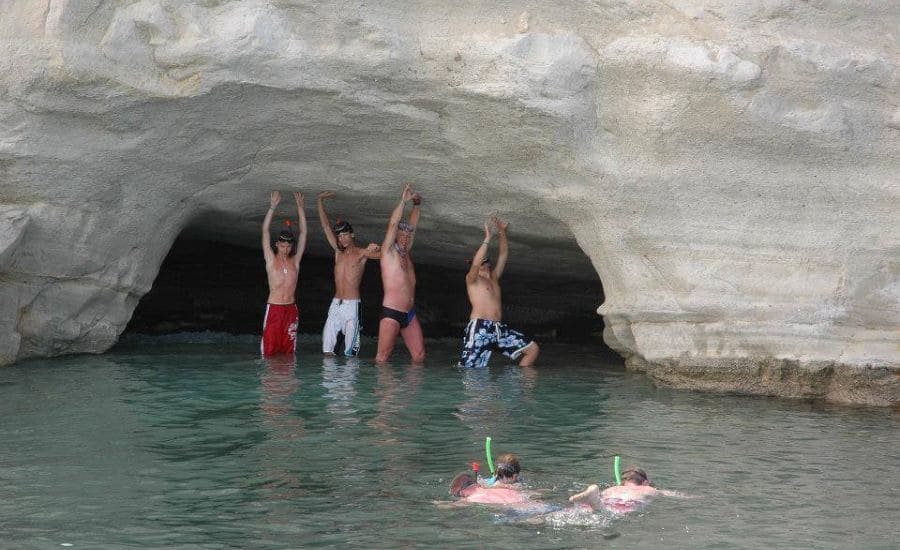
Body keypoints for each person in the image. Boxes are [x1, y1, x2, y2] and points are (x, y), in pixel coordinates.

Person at [459, 216, 539, 368]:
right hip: (480, 328)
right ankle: (469, 391)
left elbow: (503, 255)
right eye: (476, 261)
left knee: (532, 349)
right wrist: (487, 239)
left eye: (484, 260)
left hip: (498, 329)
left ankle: (520, 387)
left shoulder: (494, 277)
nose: (479, 263)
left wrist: (502, 232)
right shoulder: (472, 279)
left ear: (488, 261)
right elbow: (476, 263)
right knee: (470, 369)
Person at [316, 191, 381, 356]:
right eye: (339, 236)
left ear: (352, 234)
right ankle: (330, 381)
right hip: (335, 304)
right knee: (327, 350)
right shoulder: (338, 252)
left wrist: (378, 248)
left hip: (352, 306)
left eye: (345, 234)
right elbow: (325, 227)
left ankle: (348, 381)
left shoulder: (362, 253)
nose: (342, 239)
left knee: (351, 354)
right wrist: (320, 201)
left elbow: (384, 256)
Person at [375, 184, 424, 363]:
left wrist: (417, 205)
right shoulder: (388, 252)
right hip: (392, 312)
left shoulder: (406, 253)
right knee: (382, 358)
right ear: (395, 236)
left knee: (419, 356)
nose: (404, 238)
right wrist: (403, 201)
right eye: (401, 235)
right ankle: (384, 391)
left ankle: (409, 391)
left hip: (409, 313)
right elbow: (393, 224)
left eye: (407, 236)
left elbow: (413, 227)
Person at [260, 191, 307, 356]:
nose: (285, 249)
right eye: (282, 245)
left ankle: (286, 381)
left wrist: (300, 208)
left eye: (288, 246)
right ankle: (271, 382)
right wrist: (272, 207)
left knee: (289, 353)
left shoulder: (295, 261)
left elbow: (303, 234)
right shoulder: (271, 260)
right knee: (269, 352)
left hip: (291, 310)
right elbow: (265, 231)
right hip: (274, 309)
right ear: (277, 244)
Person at [569, 467, 681, 514]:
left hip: (608, 499)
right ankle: (594, 502)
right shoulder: (648, 489)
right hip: (626, 504)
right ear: (645, 482)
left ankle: (593, 499)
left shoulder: (612, 489)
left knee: (578, 512)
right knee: (605, 513)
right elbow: (675, 494)